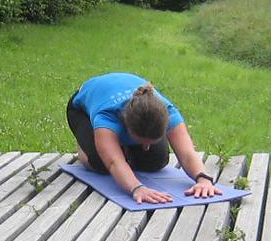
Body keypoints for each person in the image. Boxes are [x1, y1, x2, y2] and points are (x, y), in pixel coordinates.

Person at [66, 72, 221, 205]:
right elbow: (114, 162)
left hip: (134, 113)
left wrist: (203, 179)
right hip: (82, 109)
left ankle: (121, 146)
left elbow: (187, 153)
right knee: (100, 163)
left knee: (156, 161)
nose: (146, 147)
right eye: (142, 142)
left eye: (150, 142)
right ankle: (88, 145)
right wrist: (137, 188)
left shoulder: (169, 113)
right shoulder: (107, 116)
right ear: (126, 127)